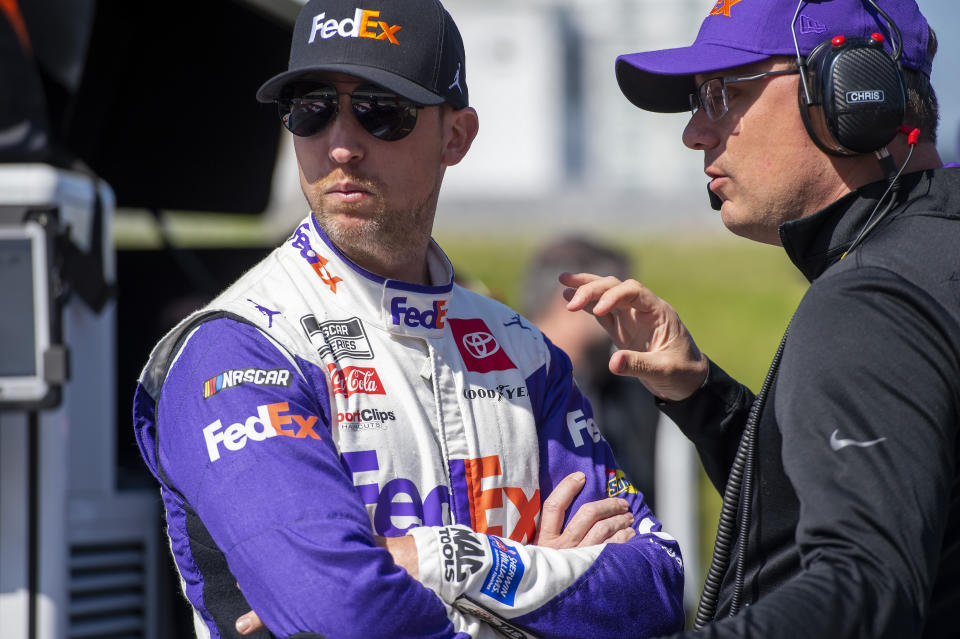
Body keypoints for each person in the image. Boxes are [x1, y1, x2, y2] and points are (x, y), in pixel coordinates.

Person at [132, 1, 684, 638]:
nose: (340, 145)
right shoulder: (240, 347)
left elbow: (655, 588)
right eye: (311, 108)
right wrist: (539, 584)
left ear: (457, 136)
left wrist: (439, 561)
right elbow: (342, 612)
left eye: (380, 111)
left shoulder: (523, 351)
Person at [563, 0, 959, 637]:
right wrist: (702, 397)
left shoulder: (871, 302)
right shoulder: (933, 259)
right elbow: (886, 497)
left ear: (852, 94)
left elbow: (864, 590)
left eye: (722, 93)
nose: (695, 133)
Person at [520, 237, 661, 506]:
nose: (631, 313)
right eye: (616, 299)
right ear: (573, 299)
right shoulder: (507, 390)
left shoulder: (630, 388)